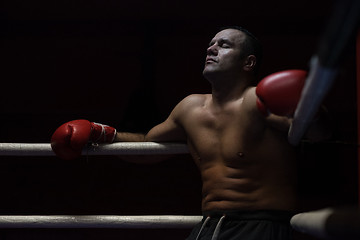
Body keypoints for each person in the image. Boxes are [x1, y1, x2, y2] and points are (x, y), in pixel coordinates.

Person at [51, 26, 330, 240]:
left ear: (248, 63)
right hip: (210, 225)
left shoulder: (260, 100)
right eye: (210, 45)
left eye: (224, 45)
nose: (212, 49)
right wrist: (102, 134)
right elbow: (147, 147)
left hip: (262, 223)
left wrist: (313, 111)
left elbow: (317, 136)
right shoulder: (190, 108)